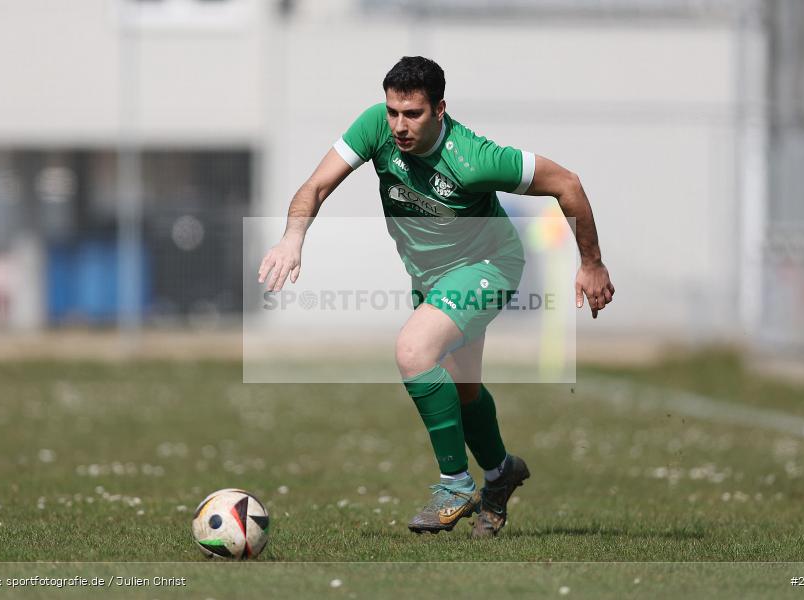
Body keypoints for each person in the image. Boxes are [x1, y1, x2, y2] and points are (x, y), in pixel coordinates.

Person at [258, 56, 614, 538]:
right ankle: (499, 473)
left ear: (440, 109)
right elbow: (316, 186)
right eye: (393, 112)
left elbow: (567, 184)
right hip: (431, 277)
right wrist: (291, 238)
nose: (399, 126)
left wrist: (590, 263)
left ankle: (455, 484)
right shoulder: (375, 127)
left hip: (489, 267)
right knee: (462, 388)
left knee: (413, 351)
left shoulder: (474, 158)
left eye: (413, 114)